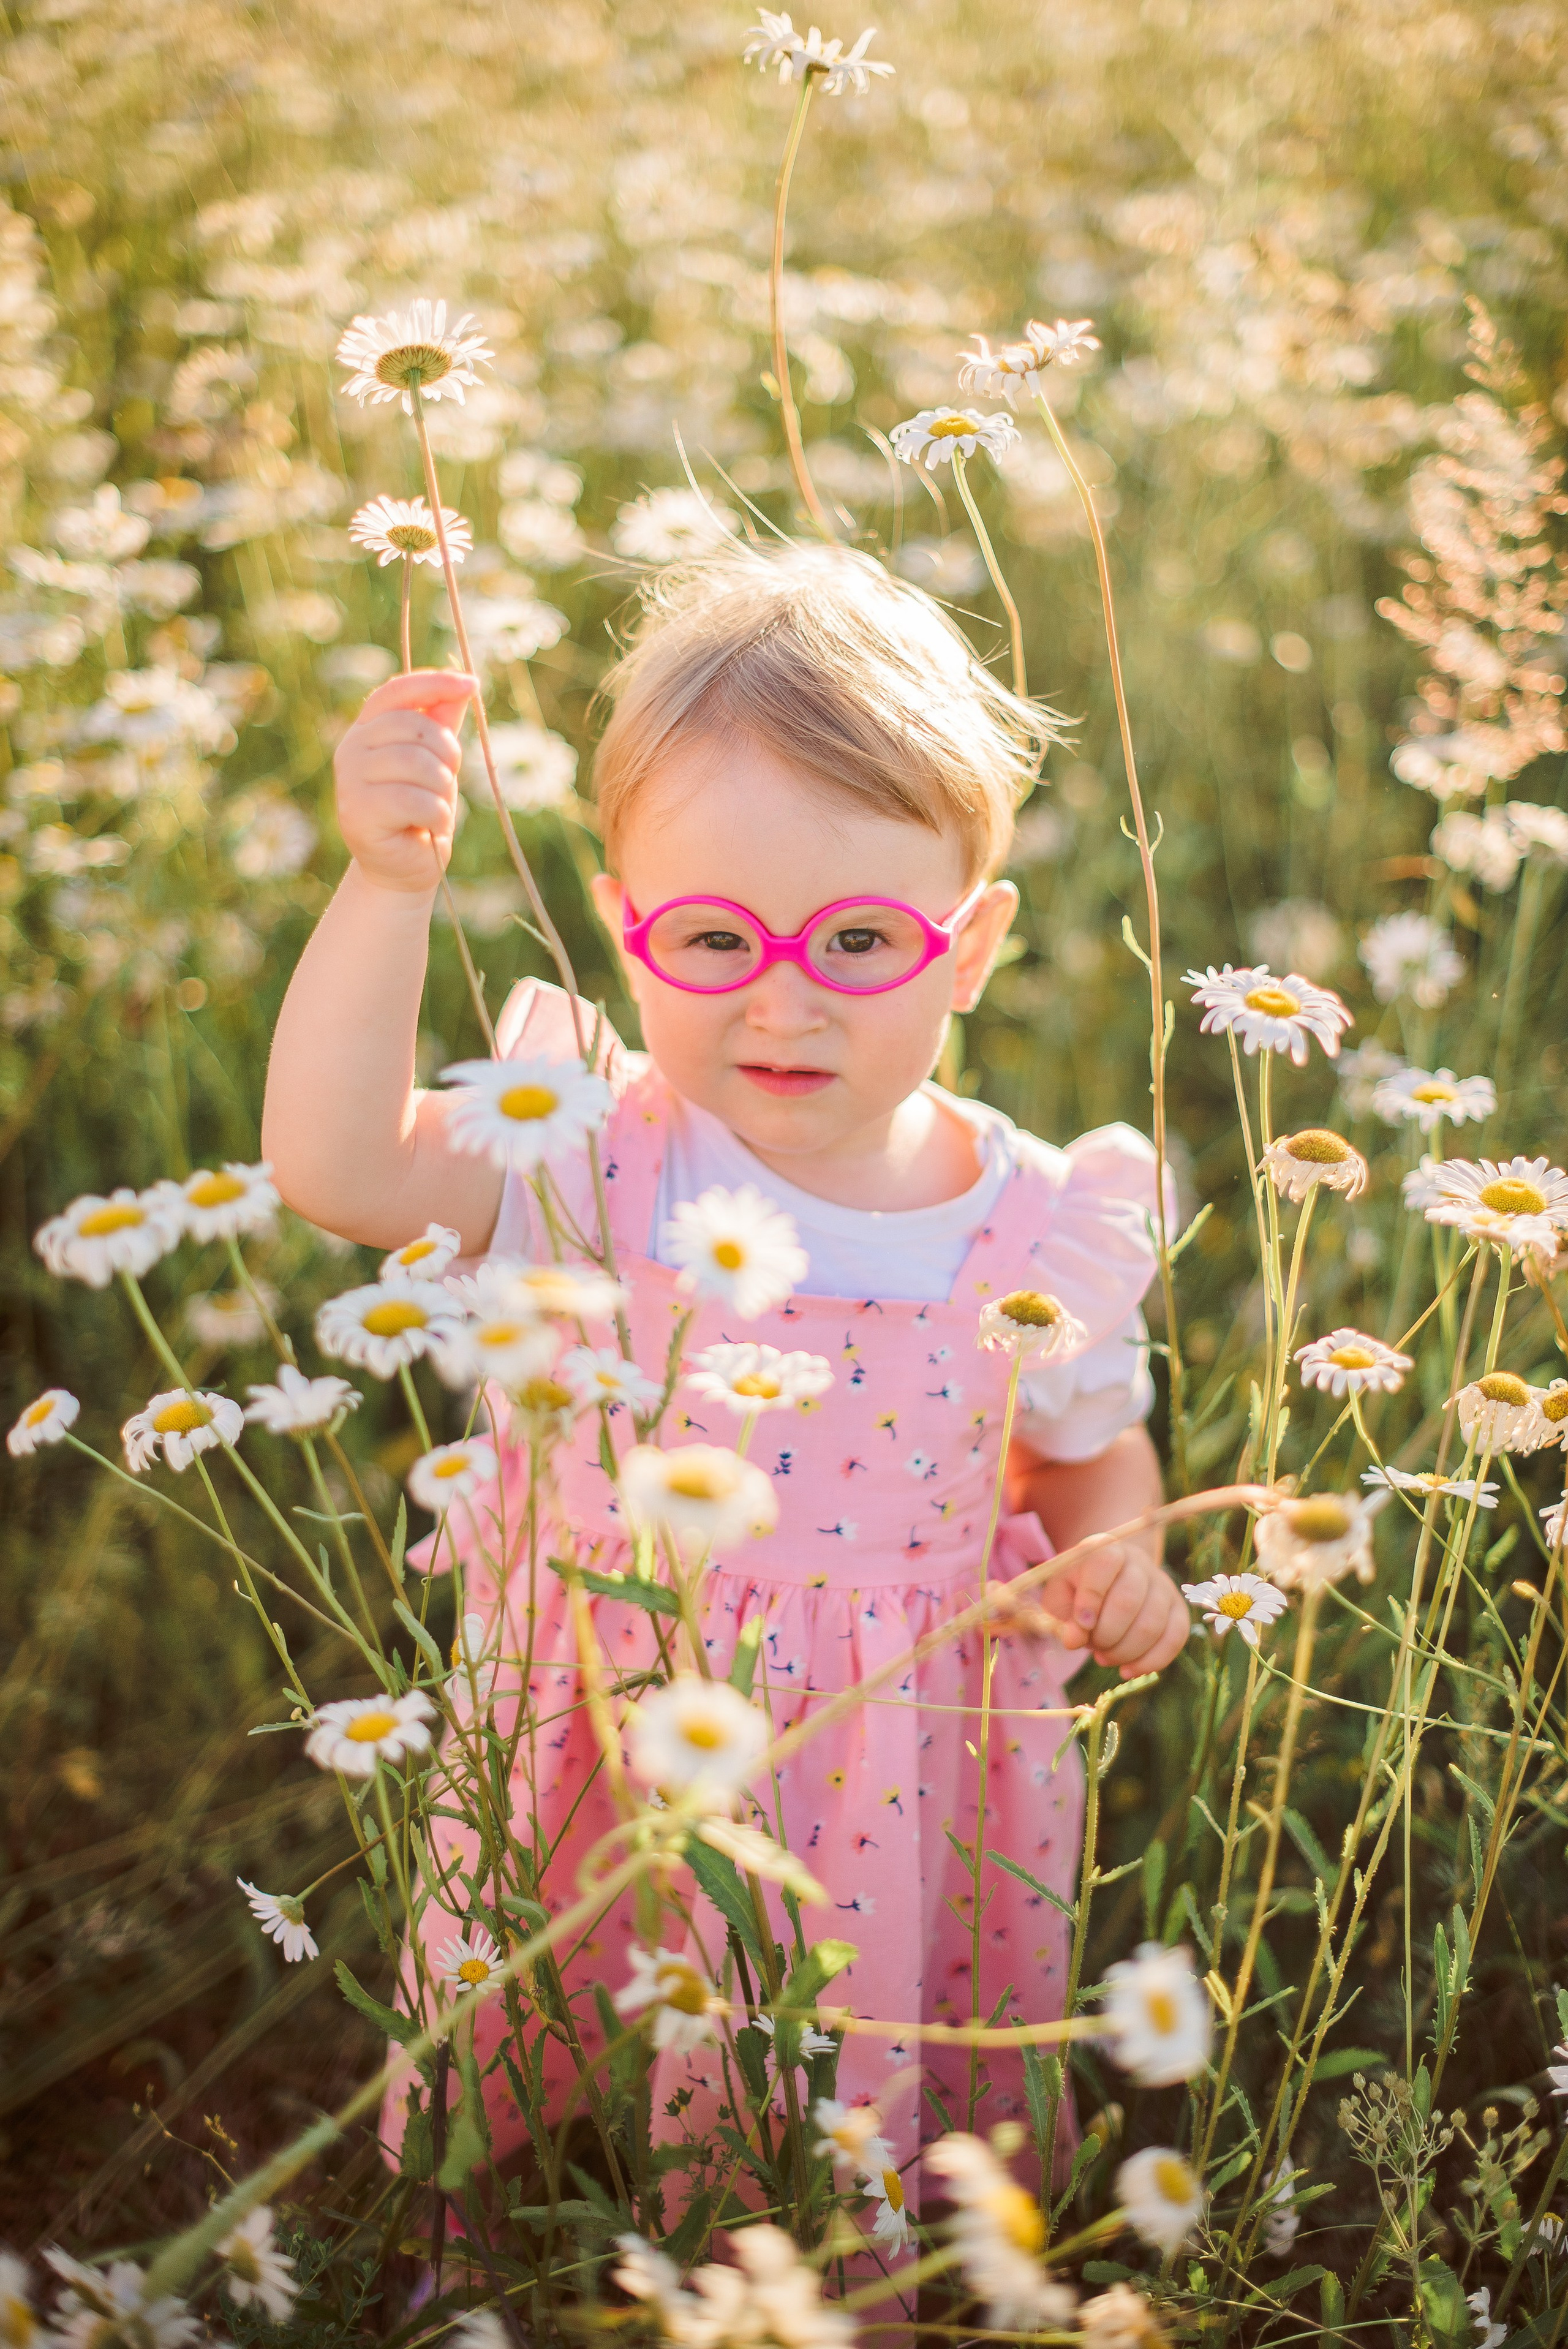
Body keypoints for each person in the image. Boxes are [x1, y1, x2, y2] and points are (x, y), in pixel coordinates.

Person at [263, 541, 1188, 2209]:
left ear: (967, 950)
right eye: (710, 935)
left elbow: (1081, 1452)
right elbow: (339, 1165)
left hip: (891, 1774)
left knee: (833, 2097)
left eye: (854, 938)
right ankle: (514, 2250)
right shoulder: (592, 1153)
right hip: (598, 1741)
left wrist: (1122, 1548)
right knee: (564, 2035)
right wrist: (386, 884)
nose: (779, 996)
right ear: (627, 936)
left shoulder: (1035, 1224)